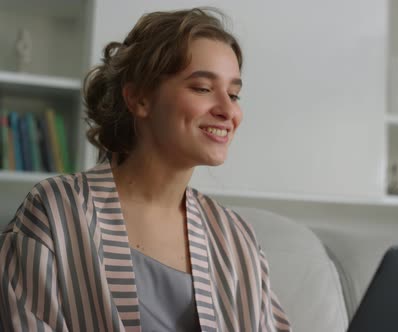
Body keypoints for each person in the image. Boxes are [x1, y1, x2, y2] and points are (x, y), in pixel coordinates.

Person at [0, 8, 290, 332]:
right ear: (139, 98)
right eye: (203, 88)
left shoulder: (237, 239)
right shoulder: (55, 212)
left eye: (234, 94)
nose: (228, 110)